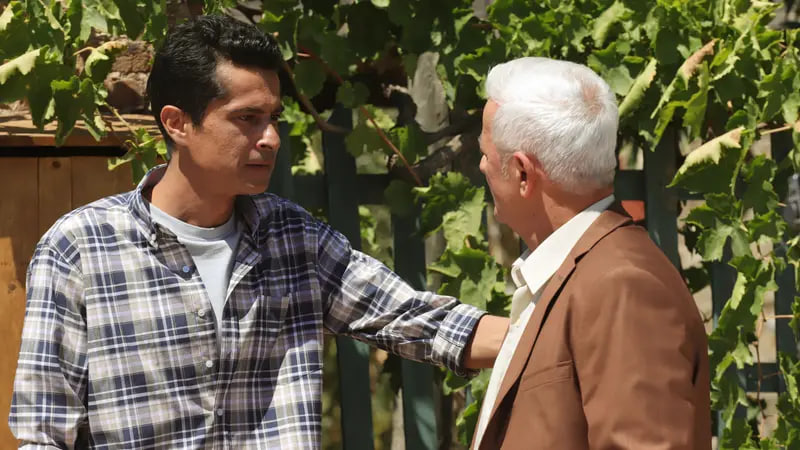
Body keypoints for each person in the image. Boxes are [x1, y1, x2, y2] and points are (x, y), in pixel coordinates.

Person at [9, 15, 507, 448]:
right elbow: (44, 433)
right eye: (247, 119)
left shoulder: (295, 240)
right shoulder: (81, 248)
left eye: (273, 119)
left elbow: (420, 322)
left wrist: (549, 333)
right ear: (177, 123)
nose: (270, 139)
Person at [471, 57, 711, 449]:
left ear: (523, 173)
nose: (482, 165)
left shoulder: (622, 286)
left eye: (486, 153)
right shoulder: (581, 271)